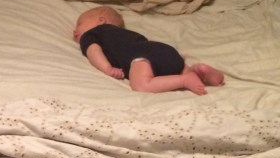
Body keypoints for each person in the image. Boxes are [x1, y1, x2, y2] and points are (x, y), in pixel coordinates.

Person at [73, 6, 224, 95]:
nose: (75, 30)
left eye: (79, 24)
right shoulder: (125, 34)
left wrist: (107, 68)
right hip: (165, 50)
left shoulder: (92, 33)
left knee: (141, 85)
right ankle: (198, 70)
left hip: (140, 56)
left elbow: (93, 51)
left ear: (101, 21)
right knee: (180, 70)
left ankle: (184, 80)